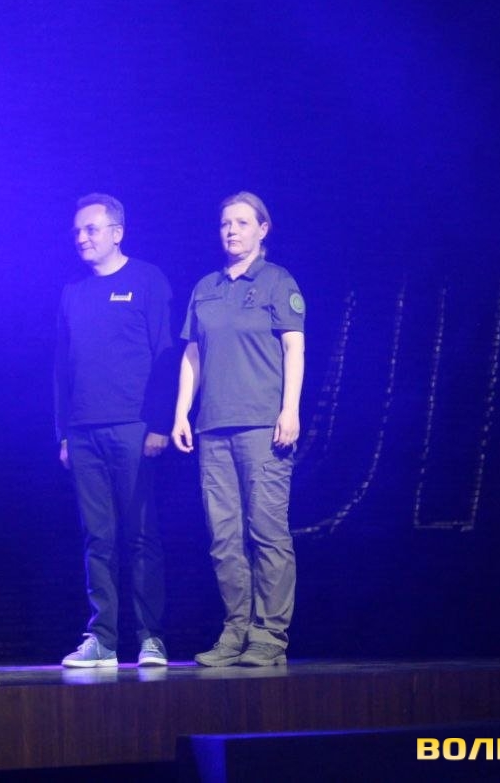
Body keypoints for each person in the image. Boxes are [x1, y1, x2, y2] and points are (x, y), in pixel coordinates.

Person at [172, 191, 305, 667]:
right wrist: (181, 413)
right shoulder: (206, 287)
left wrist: (290, 410)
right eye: (226, 223)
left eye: (242, 222)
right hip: (213, 429)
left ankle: (269, 635)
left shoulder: (276, 281)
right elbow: (192, 354)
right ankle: (236, 631)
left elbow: (294, 348)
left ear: (262, 229)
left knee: (267, 532)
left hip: (263, 428)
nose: (231, 230)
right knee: (223, 538)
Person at [55, 193, 175, 668]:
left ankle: (151, 638)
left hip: (133, 429)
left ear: (117, 233)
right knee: (97, 539)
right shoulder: (73, 291)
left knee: (142, 536)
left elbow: (165, 355)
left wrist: (160, 424)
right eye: (77, 231)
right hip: (84, 433)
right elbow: (60, 368)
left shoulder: (146, 279)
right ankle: (102, 640)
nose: (82, 238)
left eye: (91, 229)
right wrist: (64, 434)